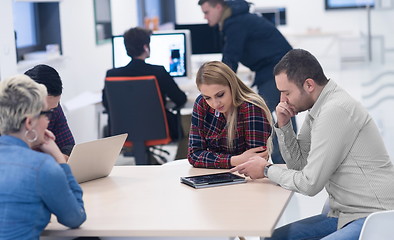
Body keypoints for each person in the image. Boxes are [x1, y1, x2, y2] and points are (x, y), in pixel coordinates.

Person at [231, 49, 394, 240]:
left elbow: (309, 184)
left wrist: (266, 170)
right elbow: (299, 166)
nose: (283, 100)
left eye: (286, 92)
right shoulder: (318, 108)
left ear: (308, 84)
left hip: (373, 217)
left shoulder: (334, 110)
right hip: (342, 214)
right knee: (273, 238)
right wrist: (284, 126)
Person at [198, 0, 296, 164]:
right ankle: (288, 164)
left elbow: (230, 59)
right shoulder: (240, 19)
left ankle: (280, 165)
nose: (205, 17)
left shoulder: (235, 23)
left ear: (219, 7)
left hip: (279, 72)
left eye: (206, 12)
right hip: (282, 70)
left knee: (258, 112)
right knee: (282, 113)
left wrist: (215, 82)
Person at [0, 75, 86, 239]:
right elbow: (76, 217)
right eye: (45, 114)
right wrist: (60, 160)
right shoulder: (42, 167)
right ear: (29, 122)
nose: (48, 121)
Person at [102, 27, 187, 161]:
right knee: (189, 125)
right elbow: (180, 99)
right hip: (158, 129)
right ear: (146, 47)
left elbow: (107, 106)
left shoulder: (112, 75)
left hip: (123, 133)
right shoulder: (158, 72)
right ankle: (178, 164)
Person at [188, 61, 272, 168]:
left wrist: (214, 159)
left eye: (220, 95)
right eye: (208, 97)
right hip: (212, 175)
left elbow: (256, 161)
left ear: (232, 86)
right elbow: (194, 155)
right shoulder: (201, 103)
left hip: (245, 178)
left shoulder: (251, 107)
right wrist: (234, 160)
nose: (215, 103)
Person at [25, 64, 75, 157]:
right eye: (44, 111)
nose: (47, 119)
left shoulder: (54, 106)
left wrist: (57, 156)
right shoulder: (9, 121)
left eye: (52, 109)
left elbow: (69, 147)